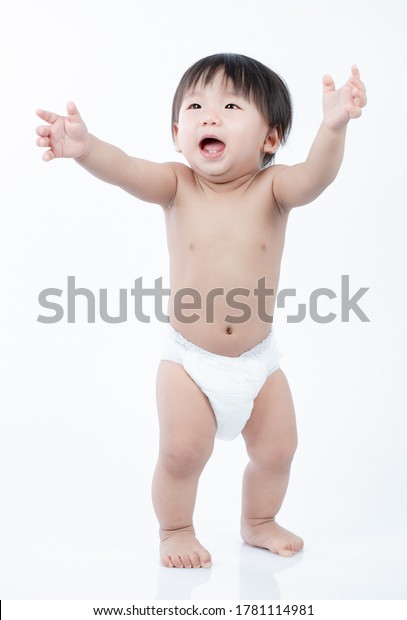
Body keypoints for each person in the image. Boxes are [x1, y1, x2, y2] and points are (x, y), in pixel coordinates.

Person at [35, 53, 367, 569]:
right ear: (176, 133)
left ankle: (258, 521)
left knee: (279, 451)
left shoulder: (273, 190)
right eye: (195, 106)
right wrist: (86, 149)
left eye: (230, 105)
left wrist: (333, 127)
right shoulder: (176, 185)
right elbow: (125, 169)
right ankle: (176, 529)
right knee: (182, 453)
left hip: (258, 363)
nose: (209, 117)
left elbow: (316, 178)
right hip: (189, 363)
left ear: (270, 139)